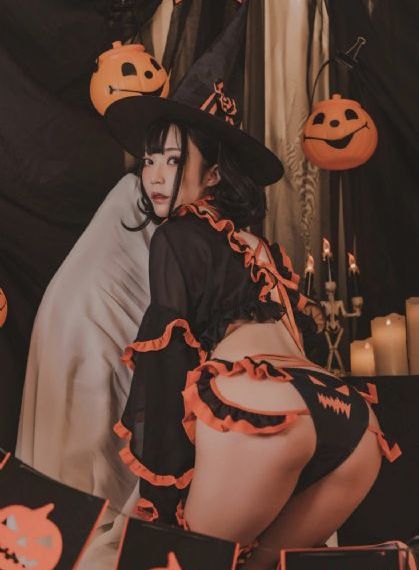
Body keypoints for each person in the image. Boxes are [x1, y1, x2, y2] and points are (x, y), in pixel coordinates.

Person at [105, 105, 401, 570]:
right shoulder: (259, 248)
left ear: (213, 175)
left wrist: (160, 498)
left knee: (191, 562)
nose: (156, 176)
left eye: (174, 160)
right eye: (149, 161)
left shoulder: (176, 235)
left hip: (262, 408)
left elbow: (166, 358)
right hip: (352, 420)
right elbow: (299, 340)